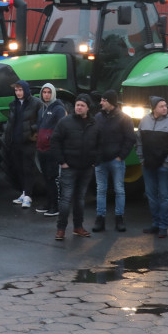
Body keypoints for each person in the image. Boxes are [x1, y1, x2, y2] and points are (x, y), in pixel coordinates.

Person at [50, 94, 101, 241]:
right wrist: (62, 162)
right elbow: (55, 141)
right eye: (77, 105)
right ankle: (61, 229)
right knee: (65, 199)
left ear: (88, 108)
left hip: (86, 168)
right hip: (69, 167)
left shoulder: (94, 124)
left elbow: (100, 144)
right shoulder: (65, 122)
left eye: (82, 105)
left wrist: (94, 161)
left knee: (80, 199)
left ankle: (78, 227)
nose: (78, 107)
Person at [136, 96, 168, 239]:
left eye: (165, 105)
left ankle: (163, 226)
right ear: (154, 108)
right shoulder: (144, 120)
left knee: (164, 197)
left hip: (163, 167)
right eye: (161, 106)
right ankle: (155, 224)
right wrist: (141, 159)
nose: (165, 108)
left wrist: (167, 163)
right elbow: (139, 141)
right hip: (148, 166)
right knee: (151, 196)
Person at [92, 89, 135, 233]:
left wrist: (121, 156)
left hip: (116, 161)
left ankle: (119, 218)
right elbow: (93, 137)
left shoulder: (124, 118)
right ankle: (100, 219)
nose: (101, 103)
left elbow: (130, 139)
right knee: (101, 190)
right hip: (100, 161)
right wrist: (96, 155)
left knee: (119, 190)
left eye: (104, 100)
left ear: (110, 102)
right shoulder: (98, 117)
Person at [4, 80, 40, 208]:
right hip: (15, 141)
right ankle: (24, 193)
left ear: (26, 90)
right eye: (16, 90)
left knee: (28, 169)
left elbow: (41, 120)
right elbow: (11, 123)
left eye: (20, 90)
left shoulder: (36, 103)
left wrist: (32, 130)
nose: (18, 92)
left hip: (28, 141)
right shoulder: (14, 104)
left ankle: (28, 196)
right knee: (18, 168)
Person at [35, 83, 67, 216]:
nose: (46, 95)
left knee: (52, 177)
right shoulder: (41, 109)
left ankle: (55, 206)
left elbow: (61, 129)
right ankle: (48, 202)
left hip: (52, 149)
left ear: (53, 93)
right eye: (44, 92)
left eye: (49, 92)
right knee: (46, 177)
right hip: (41, 149)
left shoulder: (59, 109)